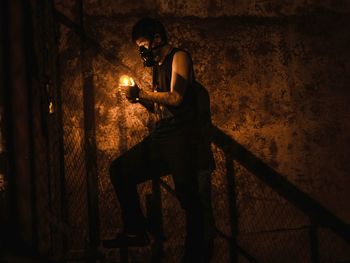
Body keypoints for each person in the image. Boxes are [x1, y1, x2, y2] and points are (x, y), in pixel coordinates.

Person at [103, 17, 215, 262]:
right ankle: (135, 229)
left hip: (181, 137)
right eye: (139, 47)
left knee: (189, 198)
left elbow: (176, 98)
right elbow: (161, 110)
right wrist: (139, 99)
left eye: (143, 45)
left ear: (157, 39)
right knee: (120, 170)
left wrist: (142, 92)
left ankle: (195, 255)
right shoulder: (156, 67)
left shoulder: (179, 57)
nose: (142, 51)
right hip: (162, 135)